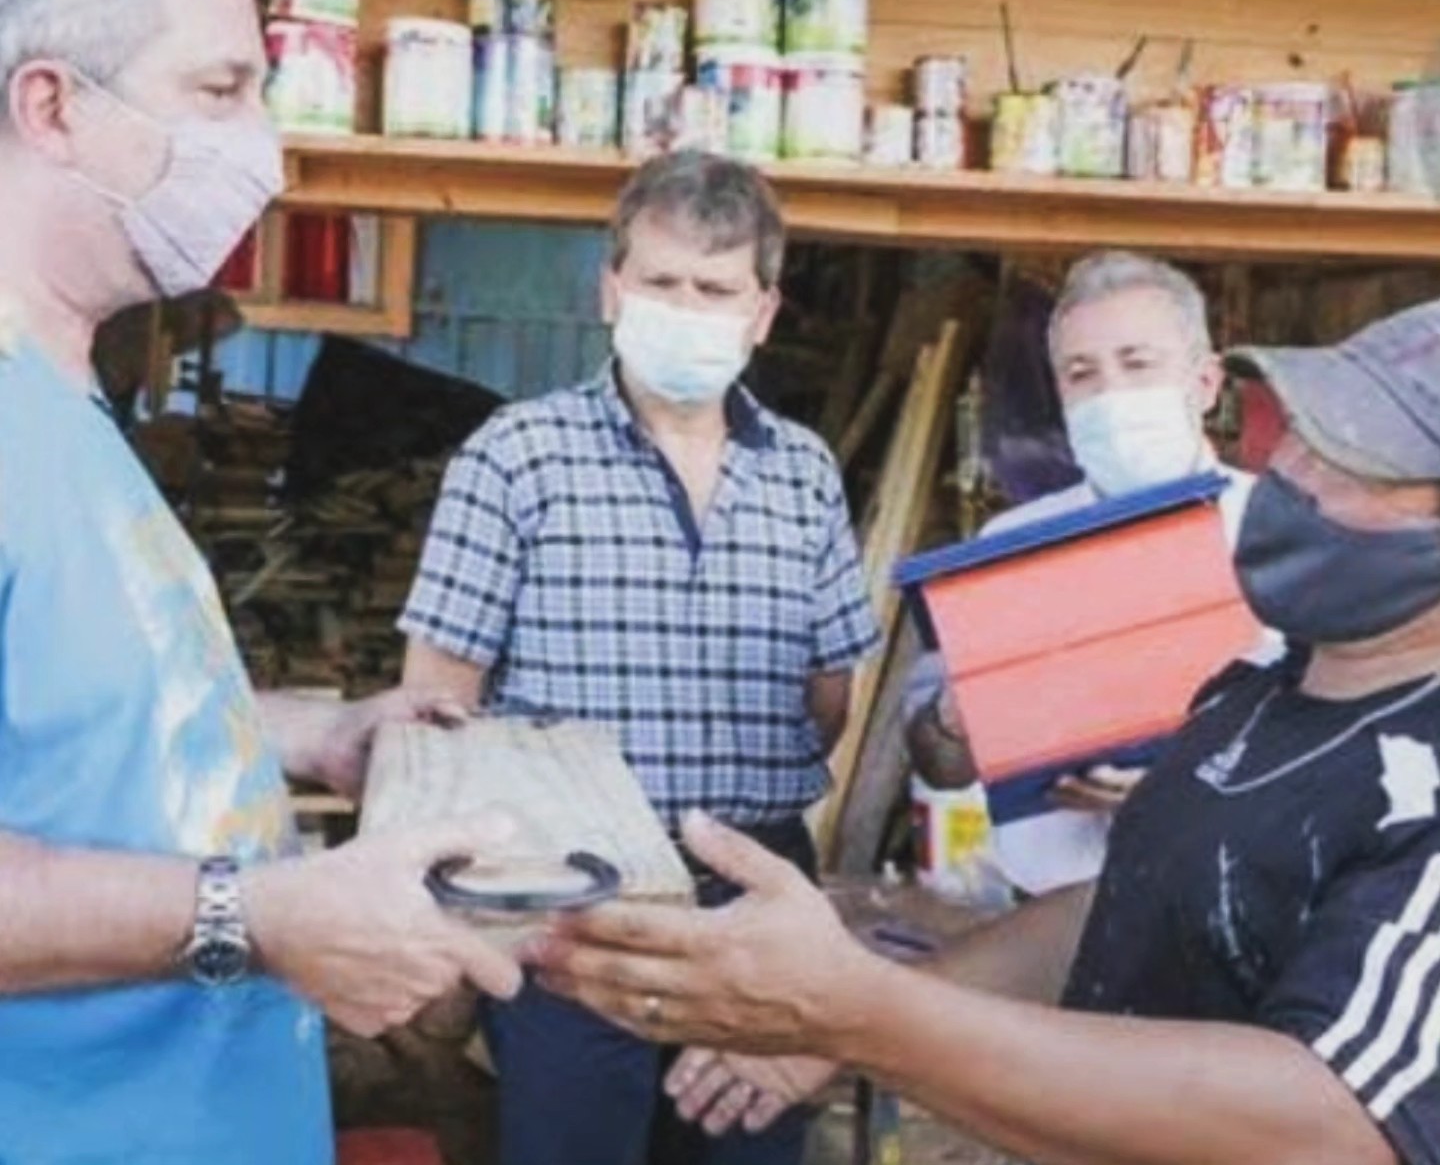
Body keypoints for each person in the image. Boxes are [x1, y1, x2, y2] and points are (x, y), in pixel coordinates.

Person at [526, 294, 1440, 1165]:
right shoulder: (1260, 691)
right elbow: (1138, 899)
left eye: (1356, 464)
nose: (1294, 479)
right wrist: (850, 1016)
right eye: (1302, 440)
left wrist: (864, 1015)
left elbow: (1332, 1123)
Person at [0, 0, 521, 1165]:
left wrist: (316, 735)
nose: (266, 151)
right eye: (221, 92)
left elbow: (96, 733)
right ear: (52, 105)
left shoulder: (65, 411)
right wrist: (260, 915)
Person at [398, 149, 880, 1165]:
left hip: (755, 894)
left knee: (747, 1143)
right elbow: (438, 706)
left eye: (715, 289)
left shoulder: (801, 471)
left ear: (762, 312)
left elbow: (830, 697)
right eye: (662, 282)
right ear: (611, 288)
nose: (687, 307)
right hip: (571, 902)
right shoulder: (515, 455)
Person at [906, 250, 1281, 896]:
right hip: (1053, 910)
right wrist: (950, 717)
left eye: (1138, 364)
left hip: (1232, 901)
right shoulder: (1011, 547)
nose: (1111, 394)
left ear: (1205, 383)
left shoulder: (1281, 532)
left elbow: (1349, 743)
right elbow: (941, 767)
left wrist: (1187, 786)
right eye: (1083, 374)